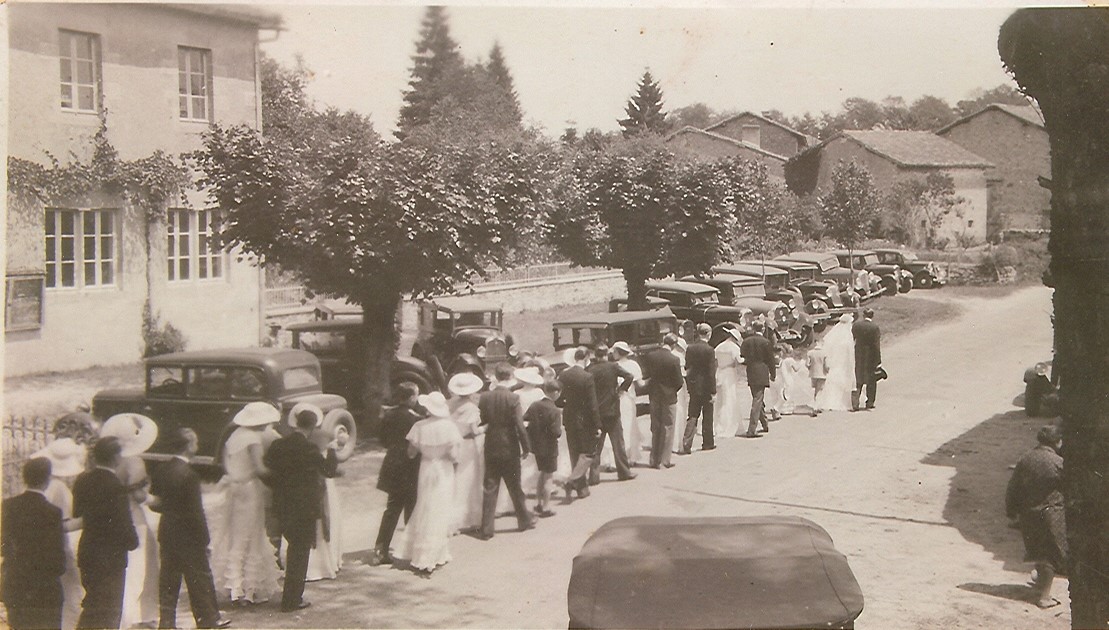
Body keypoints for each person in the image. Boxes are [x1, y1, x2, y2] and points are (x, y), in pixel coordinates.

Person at [149, 428, 229, 630]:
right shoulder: (190, 475)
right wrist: (205, 538)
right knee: (200, 579)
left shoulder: (161, 470)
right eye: (194, 442)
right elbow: (196, 511)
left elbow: (154, 503)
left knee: (168, 579)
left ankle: (166, 623)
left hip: (167, 531)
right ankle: (208, 619)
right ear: (188, 445)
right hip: (189, 535)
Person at [263, 406, 339, 612]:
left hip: (282, 503)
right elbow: (329, 471)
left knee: (285, 545)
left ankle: (288, 594)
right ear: (313, 427)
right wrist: (333, 450)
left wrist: (278, 486)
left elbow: (267, 469)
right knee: (299, 552)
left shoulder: (278, 445)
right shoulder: (310, 449)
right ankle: (292, 599)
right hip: (304, 507)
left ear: (296, 422)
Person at [209, 402, 281, 605]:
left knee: (235, 534)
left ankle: (236, 586)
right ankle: (243, 591)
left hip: (234, 487)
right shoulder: (253, 439)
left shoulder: (233, 436)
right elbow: (260, 468)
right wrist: (281, 476)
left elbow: (226, 463)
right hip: (250, 489)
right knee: (251, 534)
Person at [99, 413, 160, 629]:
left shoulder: (104, 462)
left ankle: (126, 614)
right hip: (134, 518)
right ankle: (134, 616)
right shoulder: (135, 462)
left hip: (110, 519)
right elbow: (140, 496)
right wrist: (159, 500)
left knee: (123, 569)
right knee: (139, 568)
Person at [72, 436, 138, 630]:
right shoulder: (116, 486)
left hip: (88, 551)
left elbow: (77, 513)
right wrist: (132, 541)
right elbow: (124, 524)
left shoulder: (82, 480)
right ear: (116, 457)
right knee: (109, 612)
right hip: (111, 558)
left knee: (92, 605)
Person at [395, 392, 462, 577]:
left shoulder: (419, 426)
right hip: (443, 469)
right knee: (440, 509)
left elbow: (410, 453)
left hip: (425, 468)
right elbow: (454, 456)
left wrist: (427, 451)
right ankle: (434, 554)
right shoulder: (449, 427)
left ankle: (422, 553)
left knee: (425, 507)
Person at [1006, 425, 1067, 609]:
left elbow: (1013, 487)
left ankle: (1041, 586)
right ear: (1057, 441)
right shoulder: (1058, 463)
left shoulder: (1025, 459)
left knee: (1038, 552)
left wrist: (1011, 511)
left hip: (1027, 515)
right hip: (1050, 515)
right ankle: (1044, 597)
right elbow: (1069, 487)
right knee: (1051, 556)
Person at [1, 458, 66, 630]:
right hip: (44, 589)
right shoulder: (53, 513)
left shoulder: (8, 506)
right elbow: (58, 560)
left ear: (24, 478)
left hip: (16, 586)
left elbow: (4, 545)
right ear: (47, 480)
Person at [32, 438, 86, 630]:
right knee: (71, 593)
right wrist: (87, 520)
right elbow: (62, 525)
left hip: (39, 547)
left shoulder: (39, 486)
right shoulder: (60, 489)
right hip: (58, 547)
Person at [369, 384, 423, 565]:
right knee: (411, 507)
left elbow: (382, 440)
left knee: (391, 509)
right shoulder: (416, 420)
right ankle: (412, 549)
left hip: (392, 462)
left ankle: (381, 549)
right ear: (410, 398)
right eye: (415, 395)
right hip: (410, 465)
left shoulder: (388, 415)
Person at [479, 364, 535, 539]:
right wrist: (526, 447)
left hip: (491, 444)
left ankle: (487, 528)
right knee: (514, 486)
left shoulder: (485, 397)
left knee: (490, 486)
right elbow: (519, 425)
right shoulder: (513, 398)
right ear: (510, 377)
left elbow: (483, 420)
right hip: (509, 446)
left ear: (496, 376)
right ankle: (524, 520)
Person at [306, 406, 347, 583]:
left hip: (309, 483)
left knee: (315, 522)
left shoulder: (302, 438)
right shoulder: (325, 436)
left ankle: (313, 564)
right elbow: (331, 466)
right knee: (328, 517)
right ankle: (330, 561)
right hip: (323, 482)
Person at [586, 345, 636, 483]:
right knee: (618, 444)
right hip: (612, 410)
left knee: (596, 446)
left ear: (595, 354)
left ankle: (594, 476)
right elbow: (629, 376)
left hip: (597, 412)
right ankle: (624, 472)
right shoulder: (613, 367)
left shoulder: (590, 369)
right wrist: (621, 390)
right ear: (606, 354)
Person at [557, 348, 601, 497]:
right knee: (589, 452)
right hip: (585, 420)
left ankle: (581, 488)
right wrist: (597, 424)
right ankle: (573, 480)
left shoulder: (564, 375)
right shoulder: (587, 377)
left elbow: (559, 397)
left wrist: (566, 404)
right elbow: (592, 404)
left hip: (569, 418)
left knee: (574, 452)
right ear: (586, 357)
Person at [447, 373, 486, 536]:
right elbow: (475, 430)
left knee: (455, 480)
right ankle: (468, 518)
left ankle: (452, 519)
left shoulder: (449, 403)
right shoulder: (471, 408)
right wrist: (486, 427)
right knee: (469, 479)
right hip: (468, 445)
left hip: (453, 442)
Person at [641, 334, 684, 468]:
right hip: (669, 397)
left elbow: (647, 375)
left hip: (654, 395)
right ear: (674, 345)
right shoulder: (674, 359)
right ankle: (664, 460)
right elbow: (679, 382)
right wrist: (672, 390)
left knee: (656, 427)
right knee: (668, 427)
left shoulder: (651, 356)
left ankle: (654, 459)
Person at [525, 379, 564, 518]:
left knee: (542, 473)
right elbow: (556, 432)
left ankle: (539, 503)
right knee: (549, 477)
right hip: (550, 447)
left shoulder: (535, 405)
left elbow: (525, 419)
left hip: (536, 446)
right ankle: (546, 507)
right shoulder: (554, 410)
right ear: (555, 392)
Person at [681, 323, 717, 454]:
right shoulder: (709, 350)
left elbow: (687, 367)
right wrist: (713, 391)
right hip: (706, 386)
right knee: (708, 415)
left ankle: (686, 441)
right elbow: (711, 372)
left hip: (694, 385)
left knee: (693, 414)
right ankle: (708, 442)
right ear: (708, 334)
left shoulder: (690, 348)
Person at [740, 321, 776, 438]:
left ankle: (764, 423)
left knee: (757, 398)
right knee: (757, 399)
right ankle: (752, 429)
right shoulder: (766, 342)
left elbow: (743, 355)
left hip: (751, 370)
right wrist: (773, 373)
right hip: (762, 371)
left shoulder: (746, 341)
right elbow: (771, 360)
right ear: (763, 329)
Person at [611, 343, 645, 467]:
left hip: (617, 399)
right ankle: (631, 456)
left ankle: (617, 459)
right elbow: (641, 384)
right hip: (629, 399)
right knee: (629, 425)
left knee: (619, 426)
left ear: (619, 352)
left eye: (614, 351)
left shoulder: (613, 366)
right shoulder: (633, 365)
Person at [817, 314, 857, 412]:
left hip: (835, 363)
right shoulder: (847, 338)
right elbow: (850, 353)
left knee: (833, 379)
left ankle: (829, 400)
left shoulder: (833, 335)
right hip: (843, 363)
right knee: (842, 379)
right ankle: (841, 401)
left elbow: (827, 349)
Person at [714, 327, 744, 438]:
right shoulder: (734, 348)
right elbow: (739, 360)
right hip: (729, 372)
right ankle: (729, 424)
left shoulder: (719, 347)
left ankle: (719, 425)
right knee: (730, 398)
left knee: (721, 399)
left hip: (720, 371)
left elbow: (715, 360)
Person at [852, 308, 882, 411]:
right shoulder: (875, 327)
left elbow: (853, 339)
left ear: (863, 315)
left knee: (858, 379)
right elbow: (876, 346)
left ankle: (855, 403)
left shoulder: (856, 325)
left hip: (859, 355)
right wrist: (878, 361)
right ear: (872, 316)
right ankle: (870, 402)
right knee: (872, 380)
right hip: (871, 357)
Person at [780, 346, 813, 416]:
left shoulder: (783, 360)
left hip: (784, 378)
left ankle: (783, 408)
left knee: (785, 392)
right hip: (789, 378)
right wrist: (802, 362)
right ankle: (786, 409)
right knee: (789, 393)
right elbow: (796, 368)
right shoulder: (790, 360)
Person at [670, 338, 689, 455]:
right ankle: (678, 441)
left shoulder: (670, 354)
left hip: (668, 386)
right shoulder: (679, 357)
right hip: (678, 386)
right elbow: (682, 374)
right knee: (680, 412)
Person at [806, 340, 829, 415]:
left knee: (816, 390)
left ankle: (817, 406)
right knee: (819, 391)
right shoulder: (824, 353)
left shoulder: (810, 353)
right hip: (822, 374)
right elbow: (827, 365)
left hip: (813, 374)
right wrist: (827, 370)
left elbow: (807, 364)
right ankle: (815, 407)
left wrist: (810, 368)